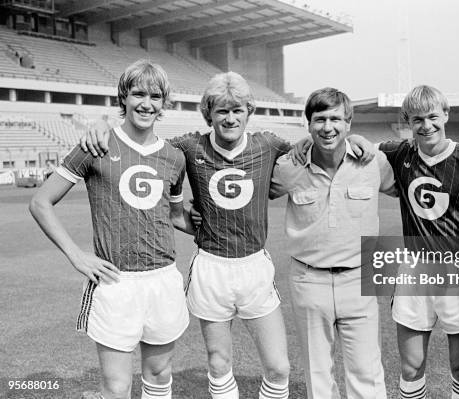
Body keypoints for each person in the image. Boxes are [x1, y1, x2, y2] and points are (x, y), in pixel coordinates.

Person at [81, 72, 374, 399]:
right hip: (210, 269)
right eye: (221, 111)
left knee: (279, 368)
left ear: (249, 112)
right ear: (209, 114)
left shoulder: (269, 144)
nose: (230, 118)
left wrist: (355, 139)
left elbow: (318, 147)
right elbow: (143, 145)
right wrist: (102, 121)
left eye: (237, 110)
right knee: (219, 364)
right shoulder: (189, 147)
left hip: (255, 267)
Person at [30, 59, 193, 399]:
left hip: (163, 281)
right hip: (115, 282)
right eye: (138, 94)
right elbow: (40, 203)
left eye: (155, 96)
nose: (146, 103)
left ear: (164, 103)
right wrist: (77, 257)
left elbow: (175, 215)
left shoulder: (175, 157)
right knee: (117, 387)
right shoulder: (96, 146)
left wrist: (223, 228)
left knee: (159, 374)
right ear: (124, 97)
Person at [270, 87, 395, 399]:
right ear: (308, 124)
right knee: (318, 375)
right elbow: (255, 187)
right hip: (308, 279)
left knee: (367, 374)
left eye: (336, 119)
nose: (328, 127)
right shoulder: (290, 167)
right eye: (320, 119)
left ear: (349, 123)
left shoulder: (373, 161)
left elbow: (403, 187)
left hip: (359, 278)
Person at [377, 85, 459, 399]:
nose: (426, 125)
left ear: (446, 115)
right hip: (415, 270)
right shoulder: (399, 153)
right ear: (407, 122)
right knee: (411, 367)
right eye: (417, 119)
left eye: (432, 117)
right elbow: (357, 147)